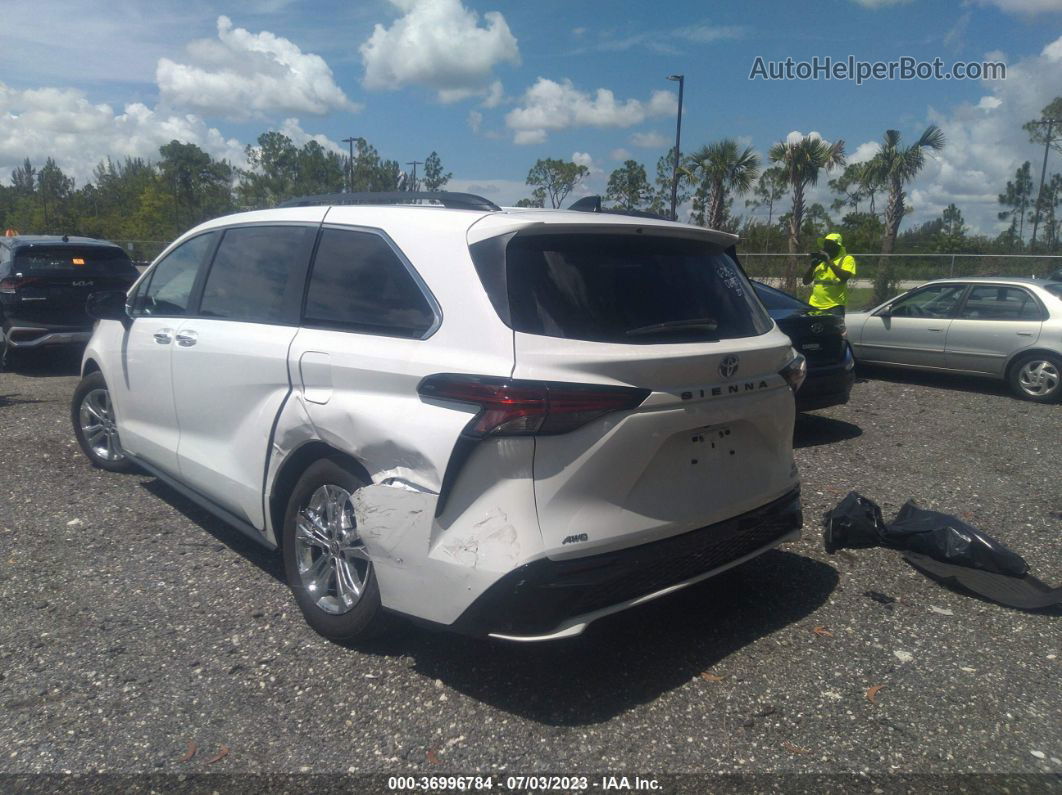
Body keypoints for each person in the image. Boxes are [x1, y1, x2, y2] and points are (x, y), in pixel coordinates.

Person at [802, 232, 857, 315]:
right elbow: (805, 282)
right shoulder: (820, 261)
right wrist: (812, 267)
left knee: (833, 328)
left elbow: (845, 277)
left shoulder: (847, 259)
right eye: (825, 244)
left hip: (834, 306)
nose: (826, 247)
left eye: (830, 245)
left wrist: (828, 261)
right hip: (814, 305)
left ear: (837, 247)